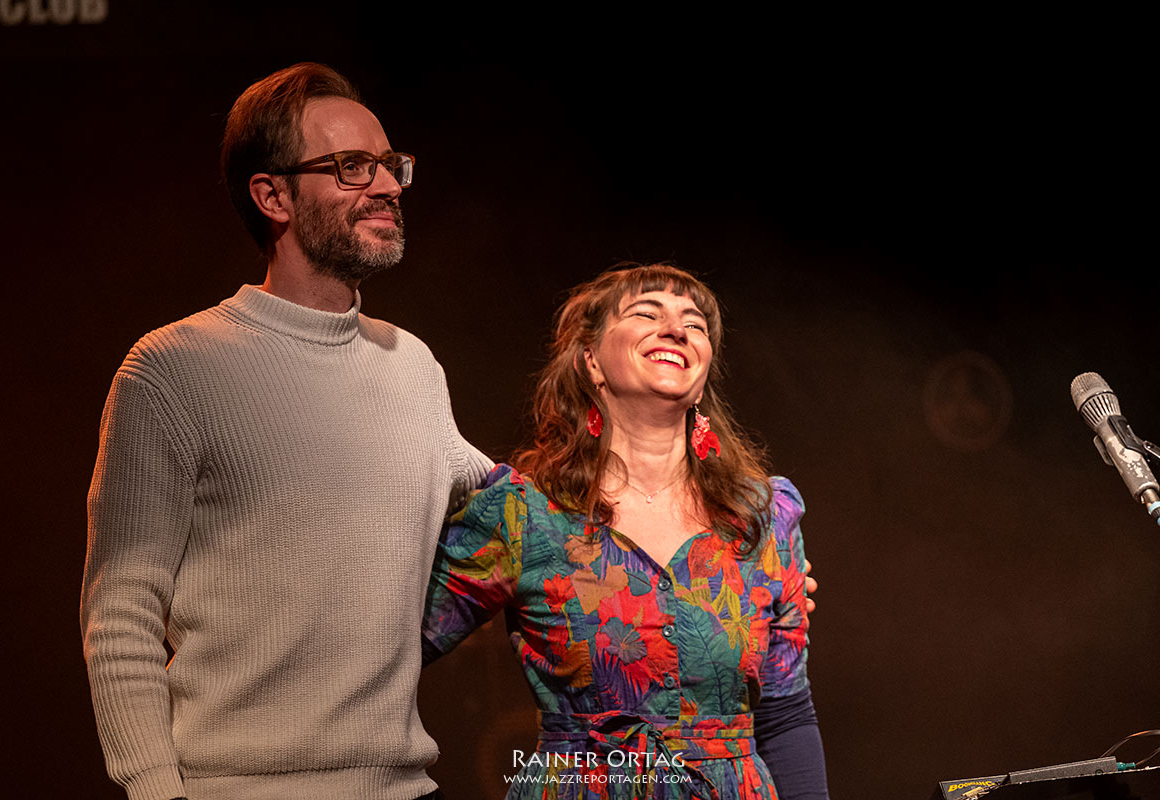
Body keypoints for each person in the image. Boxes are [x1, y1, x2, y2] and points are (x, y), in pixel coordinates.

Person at [81, 63, 490, 800]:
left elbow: (520, 508)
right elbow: (120, 614)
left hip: (408, 789)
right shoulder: (173, 368)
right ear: (272, 196)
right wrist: (153, 790)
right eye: (351, 167)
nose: (390, 186)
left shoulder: (412, 364)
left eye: (391, 166)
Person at [422, 264, 830, 798]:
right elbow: (393, 646)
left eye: (695, 323)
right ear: (591, 361)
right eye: (646, 313)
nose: (676, 329)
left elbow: (785, 712)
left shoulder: (761, 517)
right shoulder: (526, 514)